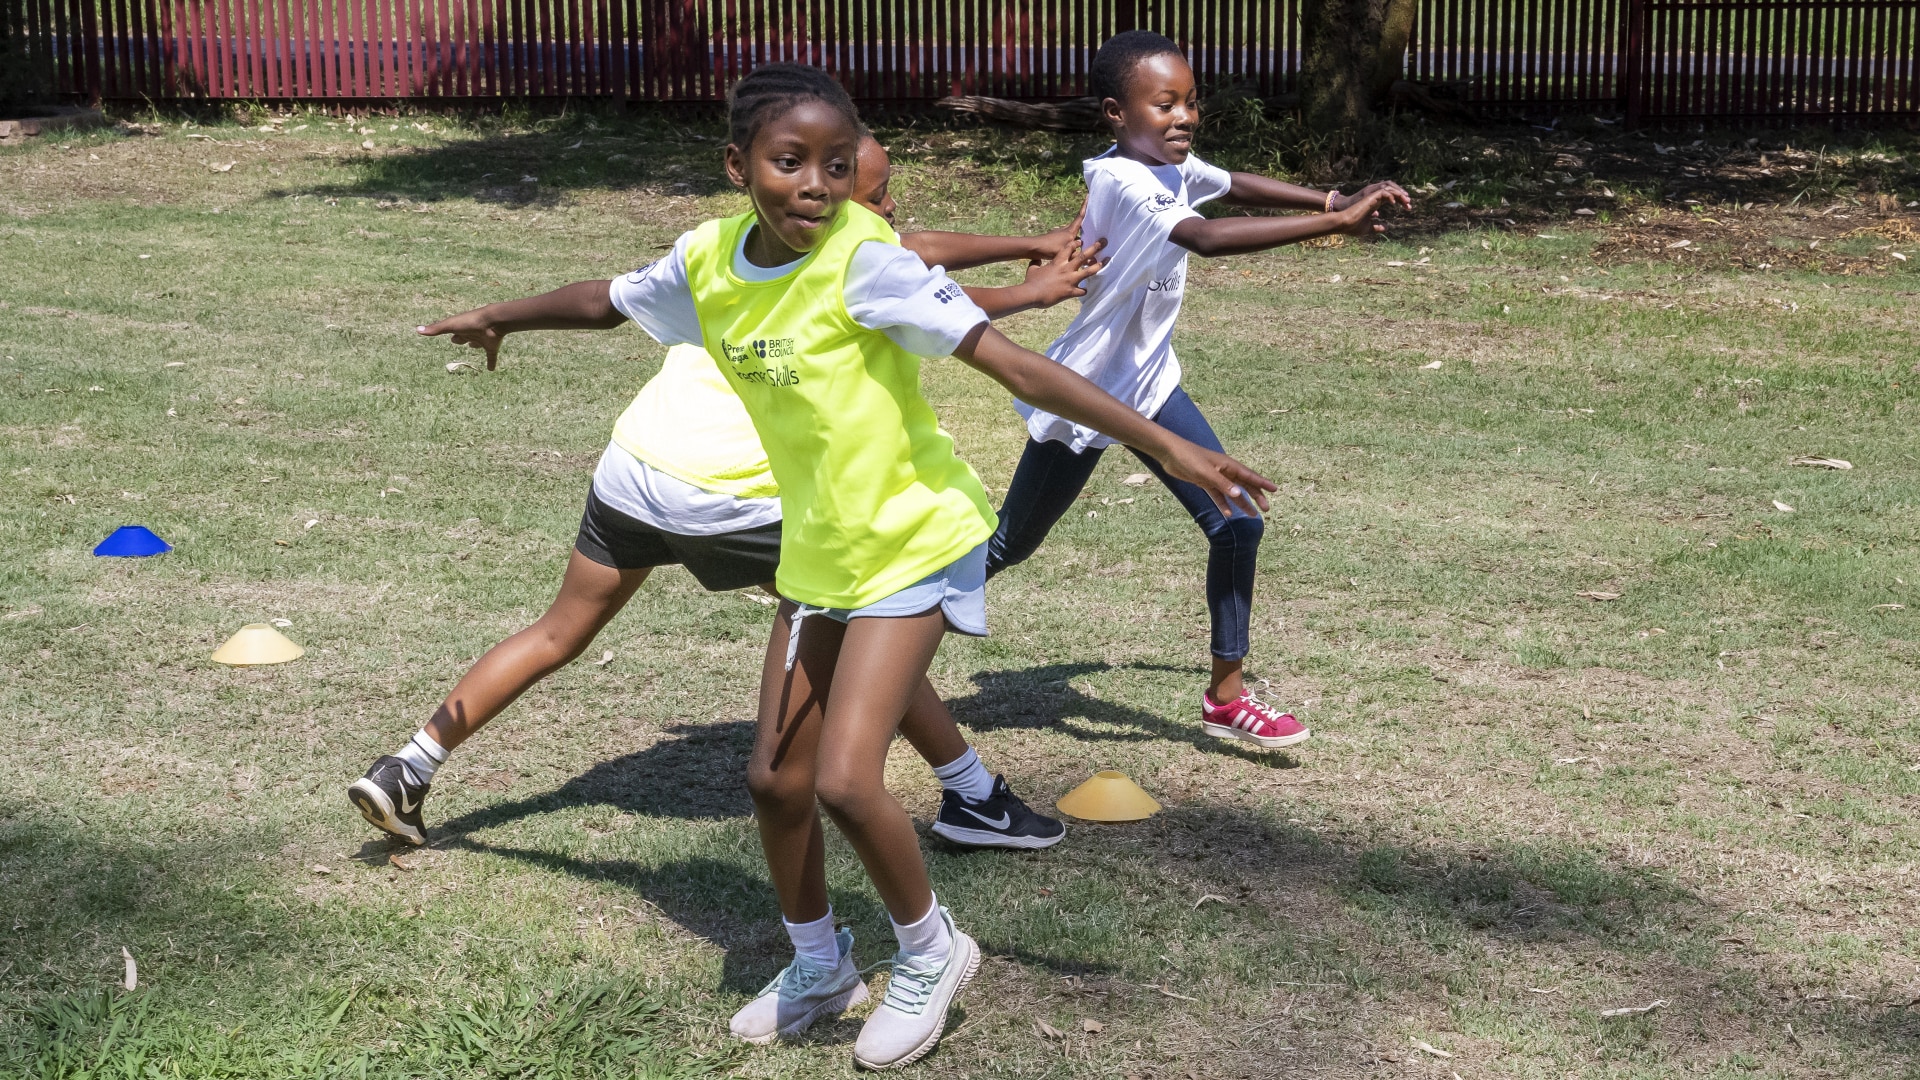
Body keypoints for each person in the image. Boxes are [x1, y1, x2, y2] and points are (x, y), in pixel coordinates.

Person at [413, 64, 1272, 1069]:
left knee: (848, 780)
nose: (816, 184)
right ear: (739, 168)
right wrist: (501, 315)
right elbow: (605, 301)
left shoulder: (871, 263)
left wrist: (1169, 447)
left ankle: (931, 949)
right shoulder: (708, 262)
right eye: (790, 163)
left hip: (913, 539)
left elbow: (1013, 362)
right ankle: (821, 965)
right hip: (821, 549)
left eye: (835, 163)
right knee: (773, 781)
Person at [348, 138, 1105, 856]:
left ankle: (411, 765)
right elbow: (922, 288)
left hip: (638, 469)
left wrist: (1025, 251)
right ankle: (973, 796)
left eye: (867, 189)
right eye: (874, 195)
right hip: (737, 497)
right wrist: (1027, 288)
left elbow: (913, 254)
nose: (879, 210)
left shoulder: (734, 248)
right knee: (867, 626)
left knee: (559, 630)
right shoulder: (848, 260)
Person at [984, 31, 1412, 750]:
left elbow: (1232, 183)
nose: (1184, 116)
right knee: (1007, 546)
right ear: (1117, 114)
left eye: (1189, 102)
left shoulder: (1172, 165)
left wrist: (1331, 193)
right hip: (1088, 392)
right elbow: (1204, 238)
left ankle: (1225, 695)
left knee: (1239, 520)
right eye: (1164, 104)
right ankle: (880, 628)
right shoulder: (1121, 178)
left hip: (1152, 385)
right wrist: (1333, 223)